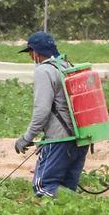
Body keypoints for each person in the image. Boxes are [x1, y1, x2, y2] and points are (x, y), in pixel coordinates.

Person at [13, 31, 88, 198]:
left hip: (60, 139)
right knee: (66, 190)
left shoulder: (44, 70)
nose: (31, 58)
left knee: (44, 187)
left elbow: (42, 110)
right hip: (80, 139)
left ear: (36, 52)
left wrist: (26, 138)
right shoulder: (66, 66)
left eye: (30, 53)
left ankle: (81, 202)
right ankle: (79, 209)